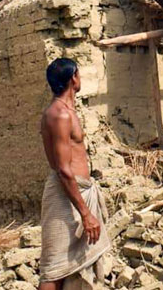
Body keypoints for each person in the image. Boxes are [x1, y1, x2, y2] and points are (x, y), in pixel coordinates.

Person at [39, 58, 110, 290]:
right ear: (73, 78)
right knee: (54, 269)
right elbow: (63, 169)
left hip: (78, 191)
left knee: (72, 268)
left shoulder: (67, 110)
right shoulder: (59, 114)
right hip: (66, 194)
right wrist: (86, 213)